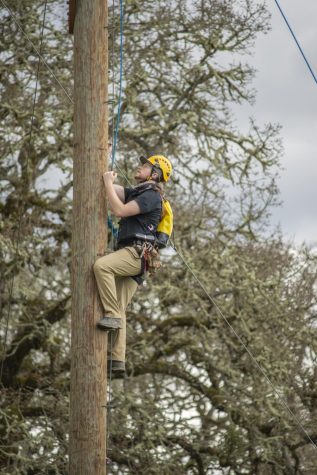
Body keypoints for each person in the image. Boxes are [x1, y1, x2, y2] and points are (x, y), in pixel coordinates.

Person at [93, 154, 173, 374]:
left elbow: (119, 210)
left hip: (135, 253)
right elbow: (114, 190)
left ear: (154, 174)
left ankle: (111, 315)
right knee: (120, 307)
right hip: (139, 258)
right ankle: (117, 361)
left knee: (102, 267)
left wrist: (108, 183)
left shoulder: (151, 197)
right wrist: (105, 163)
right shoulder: (139, 193)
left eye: (145, 165)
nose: (139, 167)